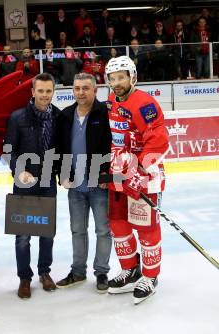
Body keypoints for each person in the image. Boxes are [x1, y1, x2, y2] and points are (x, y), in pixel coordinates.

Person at [104, 56, 169, 304]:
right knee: (118, 224)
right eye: (112, 78)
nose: (117, 82)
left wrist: (139, 168)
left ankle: (150, 276)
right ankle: (130, 270)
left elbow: (158, 139)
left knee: (146, 227)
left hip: (144, 176)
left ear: (133, 77)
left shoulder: (144, 103)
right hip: (118, 174)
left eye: (121, 77)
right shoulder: (111, 101)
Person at [4, 73, 61, 299]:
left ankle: (44, 272)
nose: (45, 95)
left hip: (48, 182)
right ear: (33, 92)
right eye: (41, 91)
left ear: (53, 92)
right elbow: (9, 150)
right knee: (23, 235)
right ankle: (24, 278)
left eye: (48, 91)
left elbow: (62, 149)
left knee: (47, 233)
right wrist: (21, 170)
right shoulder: (17, 117)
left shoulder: (58, 116)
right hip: (24, 183)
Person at [55, 72, 112, 293]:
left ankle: (102, 272)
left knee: (103, 231)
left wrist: (106, 175)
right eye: (77, 88)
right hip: (75, 187)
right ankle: (78, 272)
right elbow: (59, 149)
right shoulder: (66, 115)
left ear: (95, 90)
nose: (81, 92)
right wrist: (62, 173)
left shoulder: (104, 113)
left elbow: (112, 146)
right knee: (77, 230)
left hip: (99, 186)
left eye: (85, 88)